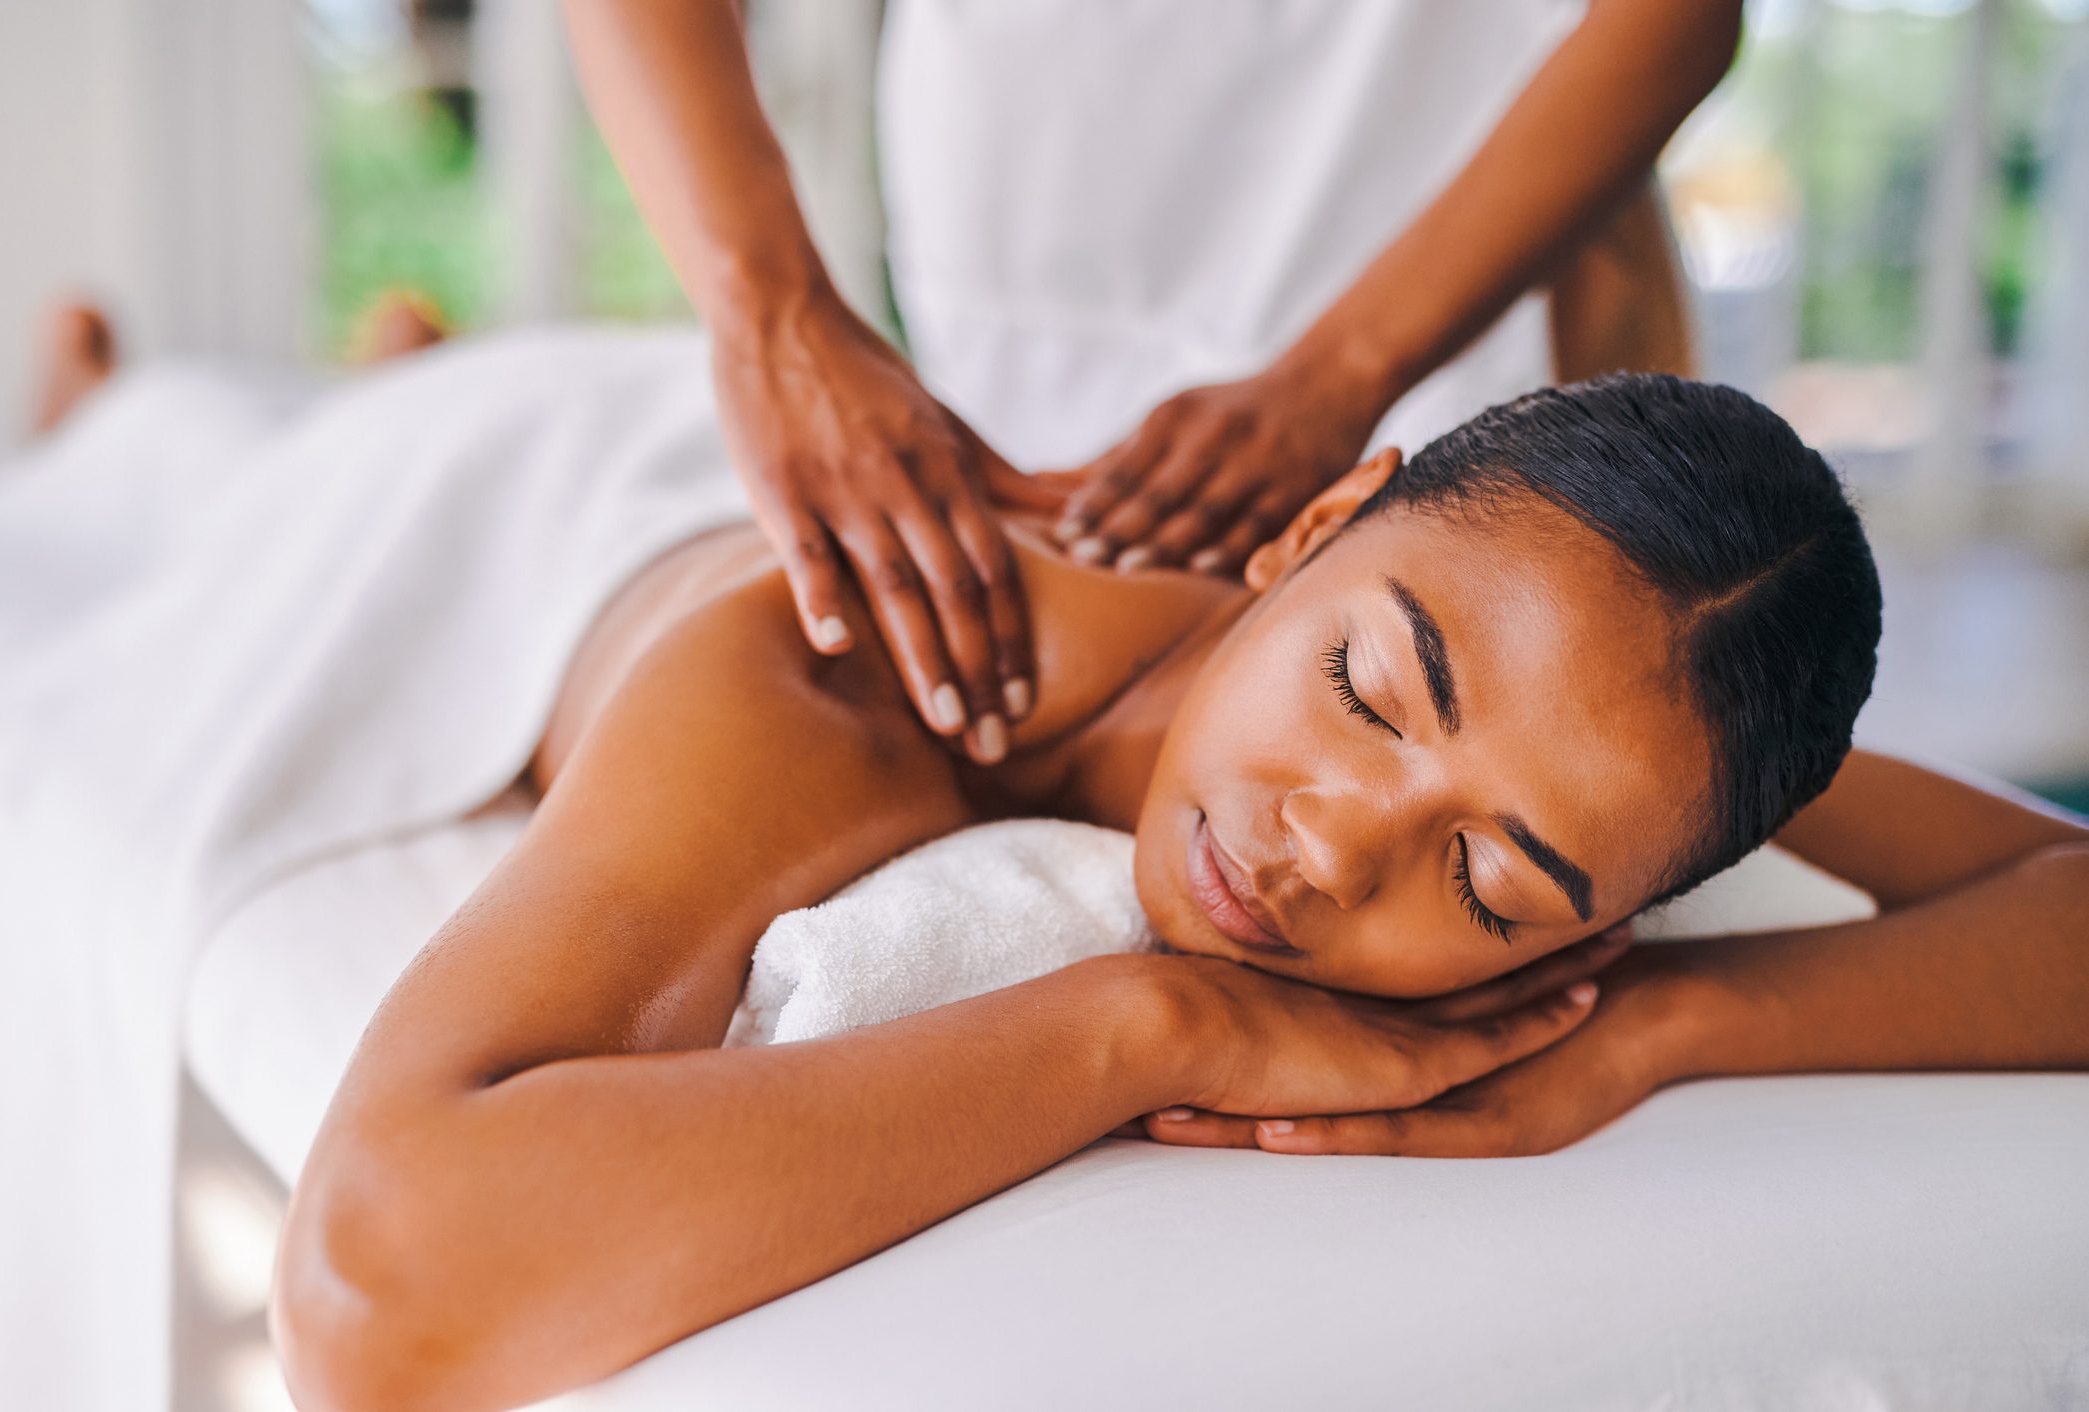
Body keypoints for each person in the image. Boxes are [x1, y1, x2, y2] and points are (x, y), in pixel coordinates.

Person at [121, 311, 2077, 1412]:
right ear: (1311, 526)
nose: (1329, 846)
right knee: (175, 472)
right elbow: (385, 1287)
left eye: (1492, 890)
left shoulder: (1602, 721)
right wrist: (1138, 1023)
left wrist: (1658, 1023)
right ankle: (219, 383)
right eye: (1362, 690)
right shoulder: (831, 688)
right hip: (530, 483)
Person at [563, 0, 1736, 768]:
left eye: (1492, 883)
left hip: (1431, 266)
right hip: (1021, 237)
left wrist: (1344, 372)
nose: (1321, 857)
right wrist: (769, 313)